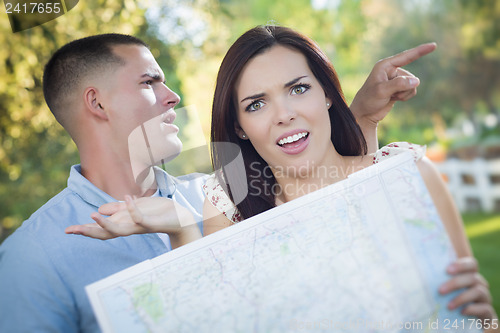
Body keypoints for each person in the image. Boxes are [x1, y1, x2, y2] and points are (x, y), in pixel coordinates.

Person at [73, 26, 496, 329]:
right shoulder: (230, 209)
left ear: (327, 93)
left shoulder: (410, 175)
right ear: (239, 126)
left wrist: (483, 321)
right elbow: (215, 318)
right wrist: (179, 226)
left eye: (297, 88)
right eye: (256, 104)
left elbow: (471, 318)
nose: (283, 114)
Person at [0, 32, 423, 332]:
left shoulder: (223, 193)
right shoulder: (31, 258)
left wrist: (357, 117)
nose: (174, 96)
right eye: (150, 82)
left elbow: (331, 216)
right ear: (97, 103)